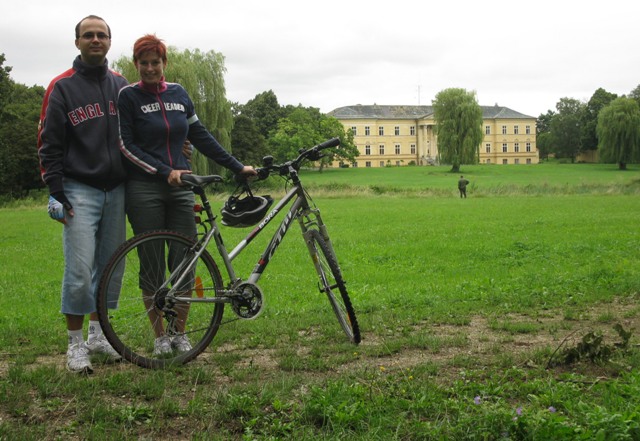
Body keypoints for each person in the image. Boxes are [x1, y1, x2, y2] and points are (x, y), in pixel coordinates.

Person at [118, 34, 256, 355]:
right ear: (137, 64)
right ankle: (159, 338)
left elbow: (201, 135)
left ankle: (180, 333)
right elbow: (126, 145)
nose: (150, 68)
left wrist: (236, 166)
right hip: (145, 188)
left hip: (182, 188)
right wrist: (163, 170)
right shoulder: (129, 97)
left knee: (186, 262)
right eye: (144, 63)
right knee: (151, 264)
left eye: (156, 62)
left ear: (164, 64)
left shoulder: (179, 94)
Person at [38, 15, 127, 373]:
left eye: (101, 35)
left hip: (117, 187)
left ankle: (99, 336)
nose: (95, 40)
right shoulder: (61, 87)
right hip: (78, 189)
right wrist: (56, 192)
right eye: (88, 35)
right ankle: (75, 345)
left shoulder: (122, 86)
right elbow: (49, 144)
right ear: (77, 42)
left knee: (110, 269)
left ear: (109, 41)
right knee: (78, 270)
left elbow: (135, 137)